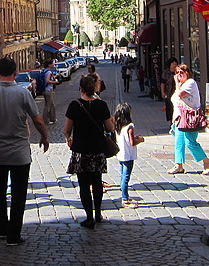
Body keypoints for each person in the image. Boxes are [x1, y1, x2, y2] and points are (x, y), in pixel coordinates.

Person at [0, 57, 48, 244]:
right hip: (20, 153)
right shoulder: (23, 93)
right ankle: (14, 235)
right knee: (18, 194)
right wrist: (44, 136)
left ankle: (1, 229)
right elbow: (37, 119)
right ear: (15, 72)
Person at [64, 74, 111, 229]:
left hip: (81, 150)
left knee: (84, 185)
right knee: (97, 183)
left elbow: (67, 129)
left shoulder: (74, 105)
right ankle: (98, 213)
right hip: (98, 149)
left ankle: (89, 217)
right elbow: (110, 128)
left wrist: (68, 138)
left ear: (81, 89)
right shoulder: (102, 105)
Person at [167, 64, 209, 175]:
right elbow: (176, 103)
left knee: (190, 142)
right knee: (179, 142)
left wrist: (176, 83)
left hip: (190, 118)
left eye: (181, 72)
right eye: (177, 72)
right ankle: (178, 165)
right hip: (180, 119)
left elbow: (180, 94)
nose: (179, 74)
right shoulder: (182, 84)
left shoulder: (190, 83)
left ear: (187, 72)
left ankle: (207, 162)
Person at [113, 103, 143, 209]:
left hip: (120, 154)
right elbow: (132, 142)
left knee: (122, 176)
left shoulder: (118, 126)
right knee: (126, 178)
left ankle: (125, 196)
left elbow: (124, 139)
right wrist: (140, 139)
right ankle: (124, 199)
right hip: (128, 155)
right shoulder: (130, 126)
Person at [160, 58, 178, 124]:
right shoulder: (166, 73)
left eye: (175, 63)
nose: (174, 65)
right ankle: (171, 123)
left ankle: (176, 122)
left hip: (177, 93)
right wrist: (162, 92)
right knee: (169, 109)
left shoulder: (178, 72)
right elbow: (162, 83)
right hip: (169, 93)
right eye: (172, 63)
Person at [42, 61, 58, 126]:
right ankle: (45, 120)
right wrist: (54, 82)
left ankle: (53, 119)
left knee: (51, 105)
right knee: (48, 106)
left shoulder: (44, 71)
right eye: (52, 63)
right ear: (49, 65)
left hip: (45, 90)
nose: (53, 64)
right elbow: (47, 81)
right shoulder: (48, 72)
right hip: (48, 90)